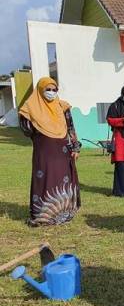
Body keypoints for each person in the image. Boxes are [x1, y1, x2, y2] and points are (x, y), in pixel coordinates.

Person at [18, 77, 81, 226]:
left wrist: (76, 147)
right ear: (40, 90)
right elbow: (26, 129)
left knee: (63, 179)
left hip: (63, 150)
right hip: (44, 151)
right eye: (48, 90)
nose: (51, 93)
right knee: (45, 178)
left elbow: (70, 127)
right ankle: (43, 216)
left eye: (54, 90)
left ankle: (64, 213)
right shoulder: (29, 108)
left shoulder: (62, 107)